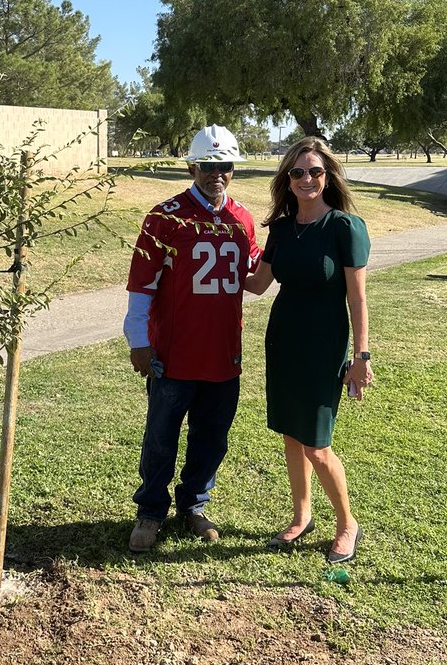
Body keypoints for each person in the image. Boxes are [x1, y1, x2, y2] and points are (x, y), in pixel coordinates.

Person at [123, 125, 260, 552]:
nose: (216, 174)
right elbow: (142, 284)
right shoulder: (165, 216)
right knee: (161, 436)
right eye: (207, 166)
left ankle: (194, 506)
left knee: (212, 438)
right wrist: (138, 340)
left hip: (223, 353)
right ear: (192, 166)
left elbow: (255, 277)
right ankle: (150, 512)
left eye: (225, 167)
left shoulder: (243, 219)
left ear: (233, 170)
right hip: (174, 353)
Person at [244, 137, 372, 565]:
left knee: (317, 443)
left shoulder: (344, 227)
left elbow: (357, 299)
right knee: (291, 435)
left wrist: (362, 356)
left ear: (328, 176)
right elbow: (258, 285)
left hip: (324, 347)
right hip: (284, 342)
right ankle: (302, 517)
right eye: (297, 172)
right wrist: (216, 255)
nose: (306, 179)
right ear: (287, 178)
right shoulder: (281, 228)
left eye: (315, 171)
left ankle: (347, 524)